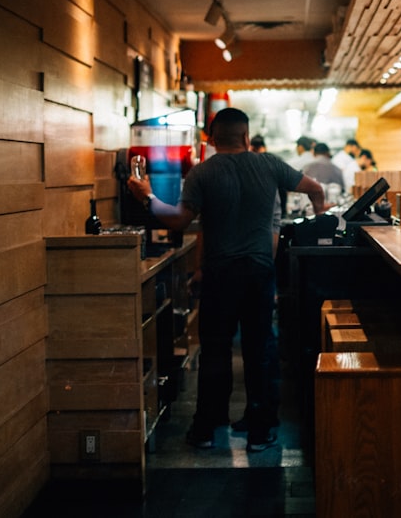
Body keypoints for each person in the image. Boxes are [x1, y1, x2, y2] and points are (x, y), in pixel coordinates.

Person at [127, 107, 328, 453]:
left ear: (211, 138)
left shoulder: (202, 173)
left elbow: (177, 220)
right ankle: (260, 430)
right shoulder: (270, 165)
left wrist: (146, 195)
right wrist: (321, 220)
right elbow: (316, 189)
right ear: (247, 137)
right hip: (260, 272)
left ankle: (206, 428)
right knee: (260, 350)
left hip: (221, 275)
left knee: (216, 350)